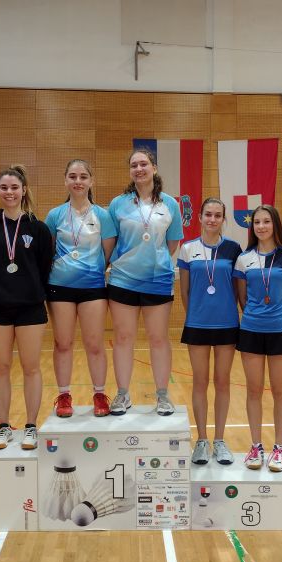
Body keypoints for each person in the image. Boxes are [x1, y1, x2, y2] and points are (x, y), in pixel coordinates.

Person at [0, 164, 53, 450]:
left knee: (31, 367)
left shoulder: (38, 228)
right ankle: (4, 426)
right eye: (4, 187)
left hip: (30, 308)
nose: (9, 192)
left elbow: (44, 266)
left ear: (24, 190)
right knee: (0, 367)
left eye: (14, 187)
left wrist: (29, 289)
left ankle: (31, 426)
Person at [107, 148, 184, 416]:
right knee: (123, 338)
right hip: (122, 280)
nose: (139, 169)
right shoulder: (118, 204)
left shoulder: (170, 204)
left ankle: (162, 395)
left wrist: (154, 261)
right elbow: (111, 241)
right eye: (134, 165)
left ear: (154, 167)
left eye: (143, 164)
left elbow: (172, 243)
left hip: (157, 281)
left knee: (158, 338)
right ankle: (122, 394)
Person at [45, 159, 116, 418]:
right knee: (63, 343)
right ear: (65, 180)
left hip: (93, 287)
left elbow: (107, 253)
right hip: (59, 287)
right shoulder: (55, 215)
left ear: (91, 181)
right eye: (73, 176)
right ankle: (64, 395)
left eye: (83, 176)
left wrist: (89, 270)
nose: (78, 181)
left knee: (94, 344)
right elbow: (48, 251)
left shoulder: (103, 216)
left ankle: (99, 394)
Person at [233, 205, 282, 472]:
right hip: (251, 330)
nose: (261, 226)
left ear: (275, 225)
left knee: (280, 390)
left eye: (266, 221)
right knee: (253, 390)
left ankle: (280, 448)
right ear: (252, 227)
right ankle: (256, 446)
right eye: (257, 222)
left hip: (280, 332)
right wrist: (255, 316)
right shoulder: (244, 259)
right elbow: (241, 297)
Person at [178, 198, 242, 465]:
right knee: (200, 382)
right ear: (200, 217)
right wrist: (196, 314)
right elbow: (184, 291)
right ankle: (202, 440)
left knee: (222, 381)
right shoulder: (187, 249)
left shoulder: (233, 249)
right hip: (198, 325)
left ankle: (220, 441)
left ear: (223, 219)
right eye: (208, 214)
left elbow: (238, 289)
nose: (212, 219)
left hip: (227, 324)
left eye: (217, 215)